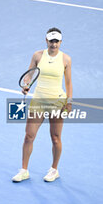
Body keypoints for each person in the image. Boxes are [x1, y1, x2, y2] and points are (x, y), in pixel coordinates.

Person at [12, 27, 73, 182]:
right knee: (29, 136)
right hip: (38, 100)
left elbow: (68, 82)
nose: (53, 44)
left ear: (60, 42)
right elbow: (29, 75)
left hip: (57, 101)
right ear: (46, 40)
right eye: (51, 41)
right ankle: (24, 170)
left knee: (55, 138)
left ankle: (54, 169)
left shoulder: (66, 59)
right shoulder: (38, 56)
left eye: (56, 41)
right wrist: (26, 85)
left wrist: (69, 102)